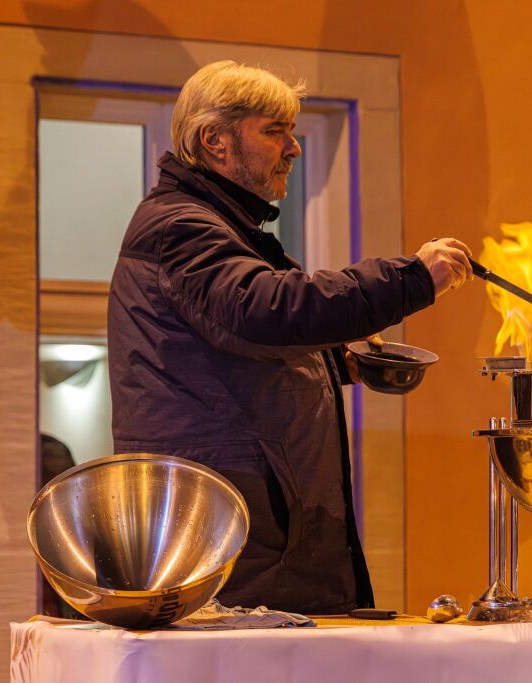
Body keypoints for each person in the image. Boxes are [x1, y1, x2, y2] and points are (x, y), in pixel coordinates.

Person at [107, 60, 472, 614]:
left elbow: (237, 347)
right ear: (216, 142)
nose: (294, 148)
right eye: (274, 131)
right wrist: (409, 280)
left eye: (293, 131)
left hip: (252, 526)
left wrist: (337, 365)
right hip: (232, 532)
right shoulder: (181, 227)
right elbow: (265, 309)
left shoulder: (221, 227)